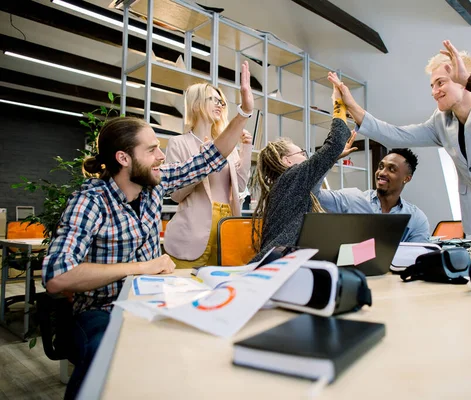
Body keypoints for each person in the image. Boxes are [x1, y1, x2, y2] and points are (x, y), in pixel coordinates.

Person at [42, 61, 254, 399]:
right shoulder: (91, 200)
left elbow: (209, 158)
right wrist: (143, 267)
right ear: (124, 159)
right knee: (106, 356)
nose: (161, 157)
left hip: (151, 301)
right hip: (101, 310)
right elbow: (57, 275)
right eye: (152, 150)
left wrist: (243, 111)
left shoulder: (153, 185)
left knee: (205, 343)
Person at [329, 40, 471, 265]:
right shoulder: (441, 122)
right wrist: (351, 106)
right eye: (432, 86)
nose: (435, 92)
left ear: (462, 79)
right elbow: (396, 135)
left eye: (440, 83)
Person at [251, 82, 355, 261]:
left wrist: (332, 157)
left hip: (288, 260)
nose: (306, 158)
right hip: (279, 264)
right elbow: (336, 141)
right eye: (302, 153)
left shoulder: (287, 185)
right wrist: (339, 104)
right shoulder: (291, 178)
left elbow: (323, 162)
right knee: (365, 254)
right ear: (287, 161)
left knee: (365, 253)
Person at [163, 82, 252, 268]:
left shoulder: (227, 145)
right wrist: (204, 161)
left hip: (227, 226)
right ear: (196, 104)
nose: (219, 104)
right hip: (191, 232)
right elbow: (176, 194)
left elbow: (241, 186)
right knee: (185, 289)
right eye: (213, 99)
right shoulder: (178, 143)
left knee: (221, 288)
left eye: (221, 101)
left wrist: (246, 148)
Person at [316, 148, 430, 243]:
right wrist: (330, 158)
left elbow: (418, 257)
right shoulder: (352, 199)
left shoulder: (416, 218)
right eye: (381, 167)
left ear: (407, 178)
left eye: (391, 169)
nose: (382, 173)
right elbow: (313, 194)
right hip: (350, 268)